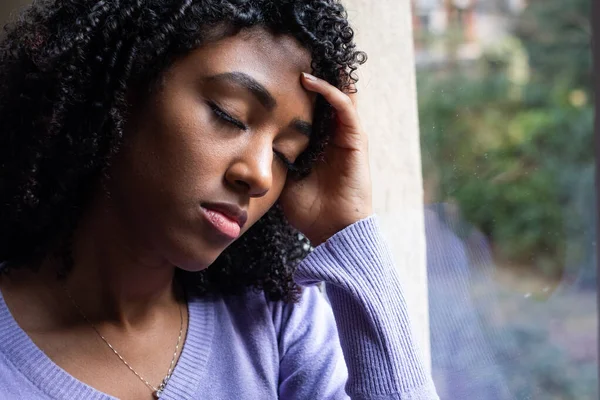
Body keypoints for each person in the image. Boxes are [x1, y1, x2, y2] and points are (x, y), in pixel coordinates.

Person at [0, 1, 439, 399]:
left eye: (286, 155)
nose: (261, 175)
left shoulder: (278, 322)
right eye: (230, 115)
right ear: (122, 88)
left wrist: (346, 230)